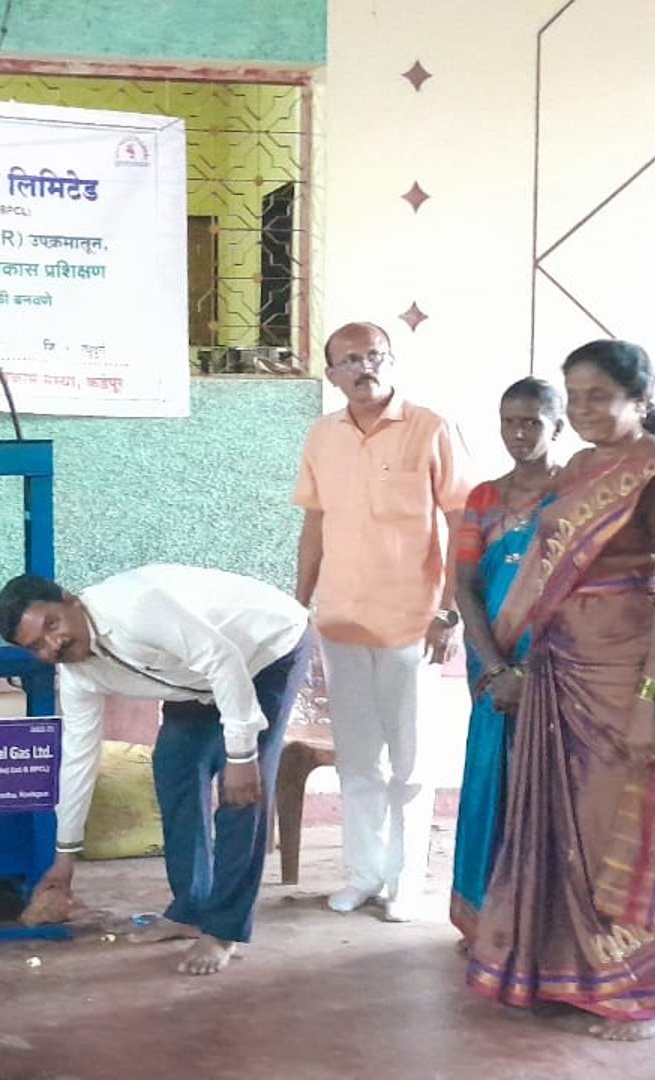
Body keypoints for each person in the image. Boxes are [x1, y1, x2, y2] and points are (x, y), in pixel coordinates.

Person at [466, 340, 655, 1040]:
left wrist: (649, 699)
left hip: (628, 672)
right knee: (560, 828)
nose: (582, 410)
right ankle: (573, 976)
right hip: (561, 668)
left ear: (640, 400)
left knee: (618, 833)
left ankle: (654, 994)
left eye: (598, 396)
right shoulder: (577, 467)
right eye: (573, 397)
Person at [1, 565, 316, 977]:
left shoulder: (134, 608)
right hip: (195, 678)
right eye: (37, 646)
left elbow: (222, 659)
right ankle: (189, 909)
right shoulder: (79, 676)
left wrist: (241, 756)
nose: (53, 644)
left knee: (242, 792)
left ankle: (224, 930)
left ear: (70, 600)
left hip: (265, 649)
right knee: (174, 766)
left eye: (52, 624)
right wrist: (64, 861)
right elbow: (79, 758)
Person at [293, 321, 469, 923]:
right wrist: (299, 606)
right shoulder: (322, 436)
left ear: (391, 362)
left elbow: (462, 522)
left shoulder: (430, 428)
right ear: (331, 374)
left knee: (412, 765)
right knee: (358, 760)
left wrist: (450, 610)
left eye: (374, 356)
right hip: (341, 621)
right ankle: (363, 875)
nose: (364, 368)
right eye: (350, 360)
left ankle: (405, 882)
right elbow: (314, 526)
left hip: (413, 623)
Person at [449, 376, 563, 944]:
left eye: (532, 423)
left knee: (550, 791)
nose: (519, 434)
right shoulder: (483, 500)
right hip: (492, 667)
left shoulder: (574, 498)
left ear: (557, 427)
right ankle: (485, 922)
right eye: (509, 422)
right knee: (489, 783)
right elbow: (465, 585)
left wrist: (536, 670)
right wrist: (495, 667)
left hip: (559, 669)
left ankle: (543, 926)